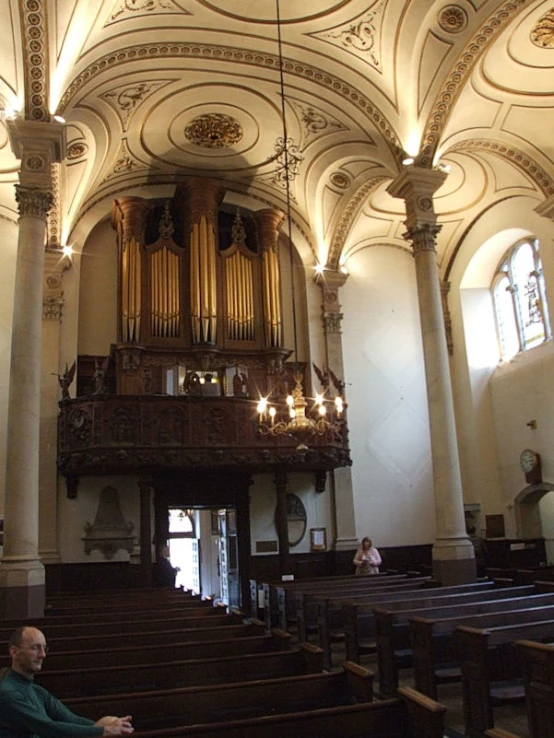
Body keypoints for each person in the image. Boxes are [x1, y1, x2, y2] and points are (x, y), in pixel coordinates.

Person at [0, 626, 134, 738]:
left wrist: (106, 726)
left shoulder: (36, 690)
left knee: (110, 720)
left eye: (44, 648)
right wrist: (105, 730)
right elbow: (47, 728)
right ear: (14, 652)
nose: (42, 655)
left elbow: (71, 719)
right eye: (35, 648)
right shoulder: (8, 692)